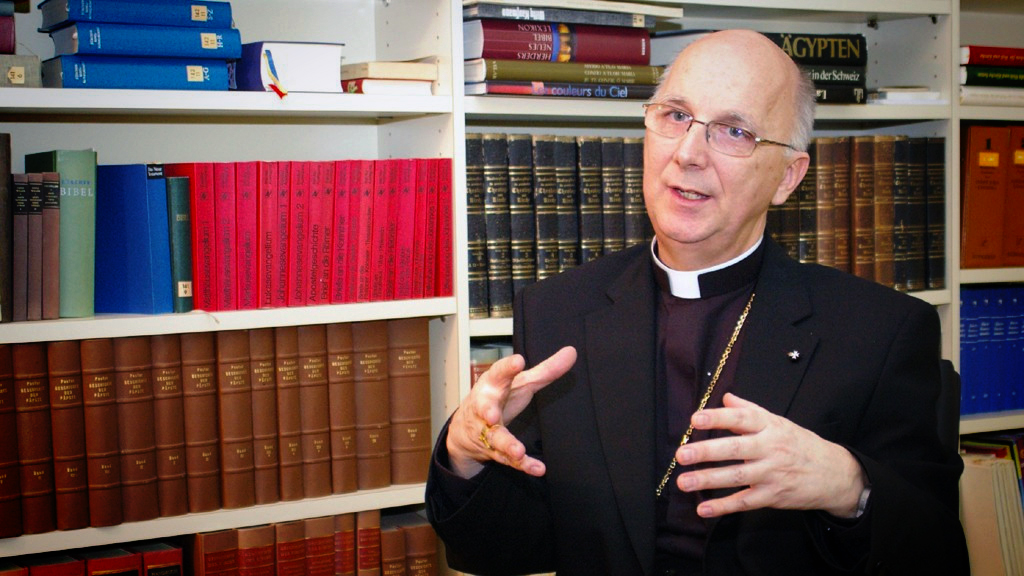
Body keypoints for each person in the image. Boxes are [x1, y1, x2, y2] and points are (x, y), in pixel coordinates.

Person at [426, 29, 969, 575]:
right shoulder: (559, 311)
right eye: (675, 116)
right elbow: (505, 549)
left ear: (787, 177)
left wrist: (847, 485)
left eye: (734, 131)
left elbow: (940, 555)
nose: (688, 153)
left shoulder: (880, 332)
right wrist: (463, 455)